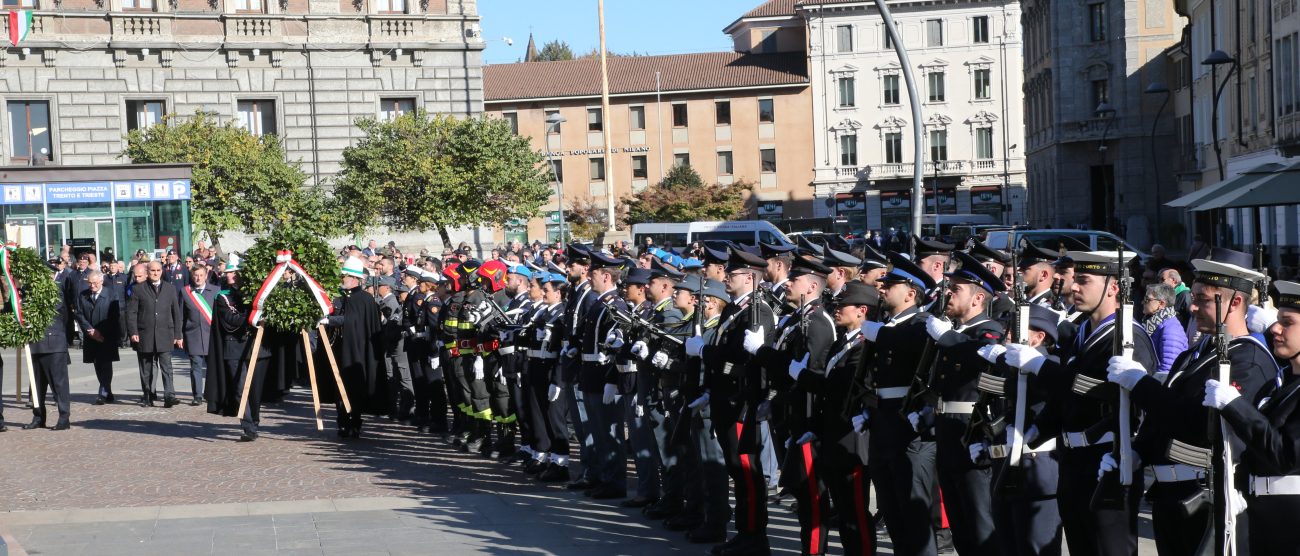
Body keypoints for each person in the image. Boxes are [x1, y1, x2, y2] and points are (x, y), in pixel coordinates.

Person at [1110, 248, 1277, 555]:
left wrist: (1142, 384)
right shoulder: (1194, 354)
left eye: (1203, 298)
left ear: (1235, 302)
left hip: (1206, 497)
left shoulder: (1249, 360)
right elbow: (1164, 415)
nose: (1193, 306)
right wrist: (1136, 451)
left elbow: (1198, 423)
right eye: (1196, 296)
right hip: (1169, 496)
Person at [1003, 249, 1159, 556]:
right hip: (1073, 463)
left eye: (1084, 281)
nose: (1074, 286)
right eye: (1076, 279)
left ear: (1114, 288)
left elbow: (1111, 394)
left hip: (1107, 460)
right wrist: (1036, 430)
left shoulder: (1129, 338)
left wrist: (1043, 368)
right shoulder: (1083, 333)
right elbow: (1067, 394)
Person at [685, 247, 776, 556]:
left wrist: (703, 353)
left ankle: (755, 539)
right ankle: (745, 533)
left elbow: (741, 358)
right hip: (726, 399)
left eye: (732, 273)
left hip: (742, 402)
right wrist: (710, 386)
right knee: (738, 473)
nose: (725, 277)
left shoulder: (757, 310)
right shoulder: (734, 309)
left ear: (750, 277)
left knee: (748, 474)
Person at [1204, 279, 1300, 556]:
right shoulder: (1281, 384)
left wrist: (1236, 406)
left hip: (1291, 522)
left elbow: (1285, 455)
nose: (1276, 329)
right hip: (1262, 514)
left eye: (1288, 322)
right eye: (1277, 320)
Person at [920, 250, 1006, 556]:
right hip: (946, 434)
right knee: (960, 526)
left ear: (977, 299)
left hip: (971, 436)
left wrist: (950, 340)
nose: (948, 294)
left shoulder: (989, 332)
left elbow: (985, 357)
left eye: (956, 289)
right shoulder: (955, 333)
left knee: (982, 525)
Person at [863, 251, 940, 556]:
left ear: (911, 292)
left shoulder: (922, 323)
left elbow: (917, 344)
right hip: (883, 421)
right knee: (891, 507)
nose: (881, 288)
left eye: (889, 285)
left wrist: (881, 334)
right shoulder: (887, 325)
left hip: (909, 427)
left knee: (913, 511)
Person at [796, 280, 879, 556]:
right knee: (844, 512)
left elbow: (842, 388)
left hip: (852, 442)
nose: (837, 309)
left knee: (855, 513)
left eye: (843, 305)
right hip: (833, 438)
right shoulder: (842, 343)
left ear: (862, 311)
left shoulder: (866, 347)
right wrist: (816, 428)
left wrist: (801, 376)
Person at [320, 256, 387, 438]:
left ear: (355, 279)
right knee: (339, 387)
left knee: (355, 387)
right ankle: (342, 422)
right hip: (342, 347)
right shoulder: (342, 297)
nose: (342, 280)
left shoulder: (364, 299)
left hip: (358, 349)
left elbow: (353, 321)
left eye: (346, 276)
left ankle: (355, 421)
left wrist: (330, 320)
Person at [126, 260, 183, 408]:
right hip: (145, 334)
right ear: (147, 272)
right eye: (152, 271)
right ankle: (148, 395)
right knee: (146, 368)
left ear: (162, 271)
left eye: (158, 270)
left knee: (167, 367)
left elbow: (176, 313)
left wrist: (178, 335)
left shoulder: (170, 289)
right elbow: (131, 313)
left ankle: (169, 396)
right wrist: (133, 332)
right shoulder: (138, 289)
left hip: (165, 334)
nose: (155, 273)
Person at [74, 270, 120, 405]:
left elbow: (114, 316)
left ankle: (103, 392)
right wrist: (90, 331)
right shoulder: (83, 295)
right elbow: (78, 313)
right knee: (97, 363)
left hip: (106, 335)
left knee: (105, 363)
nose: (92, 286)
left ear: (101, 281)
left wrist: (101, 333)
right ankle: (108, 392)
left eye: (94, 283)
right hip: (90, 335)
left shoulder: (111, 294)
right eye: (89, 283)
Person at [180, 264, 217, 406]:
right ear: (191, 276)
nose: (198, 278)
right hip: (193, 335)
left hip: (211, 336)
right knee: (195, 366)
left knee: (211, 367)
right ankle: (197, 396)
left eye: (201, 275)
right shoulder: (185, 292)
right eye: (195, 275)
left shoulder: (215, 291)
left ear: (206, 275)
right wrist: (179, 335)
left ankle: (211, 393)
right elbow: (180, 316)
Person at [1140, 282, 1189, 379]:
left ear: (1161, 304)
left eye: (1147, 299)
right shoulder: (1154, 323)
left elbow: (1167, 370)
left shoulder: (1171, 329)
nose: (1142, 302)